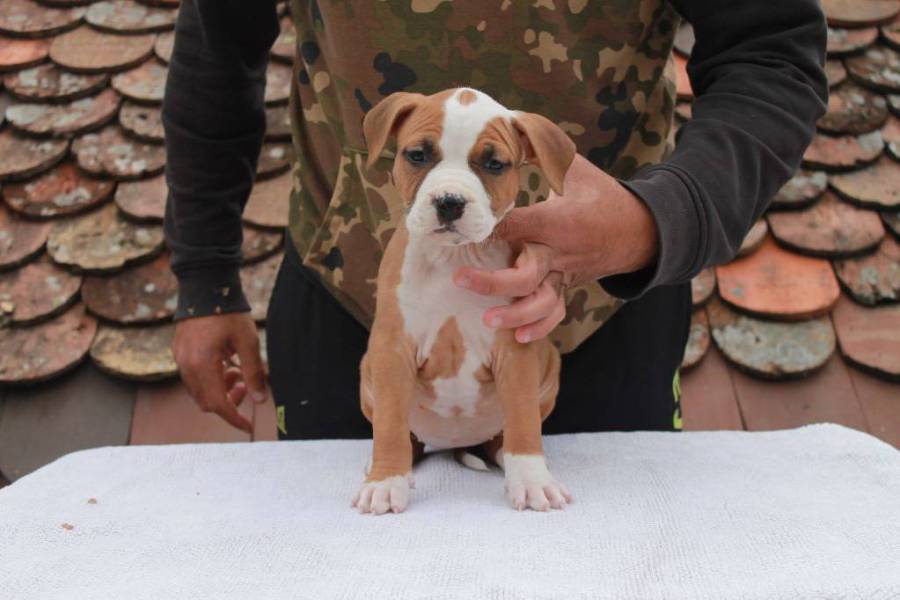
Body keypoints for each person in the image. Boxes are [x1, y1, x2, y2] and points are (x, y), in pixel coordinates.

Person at [163, 0, 827, 439]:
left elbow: (771, 51)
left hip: (600, 317)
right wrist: (204, 274)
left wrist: (654, 218)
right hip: (354, 307)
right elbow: (219, 45)